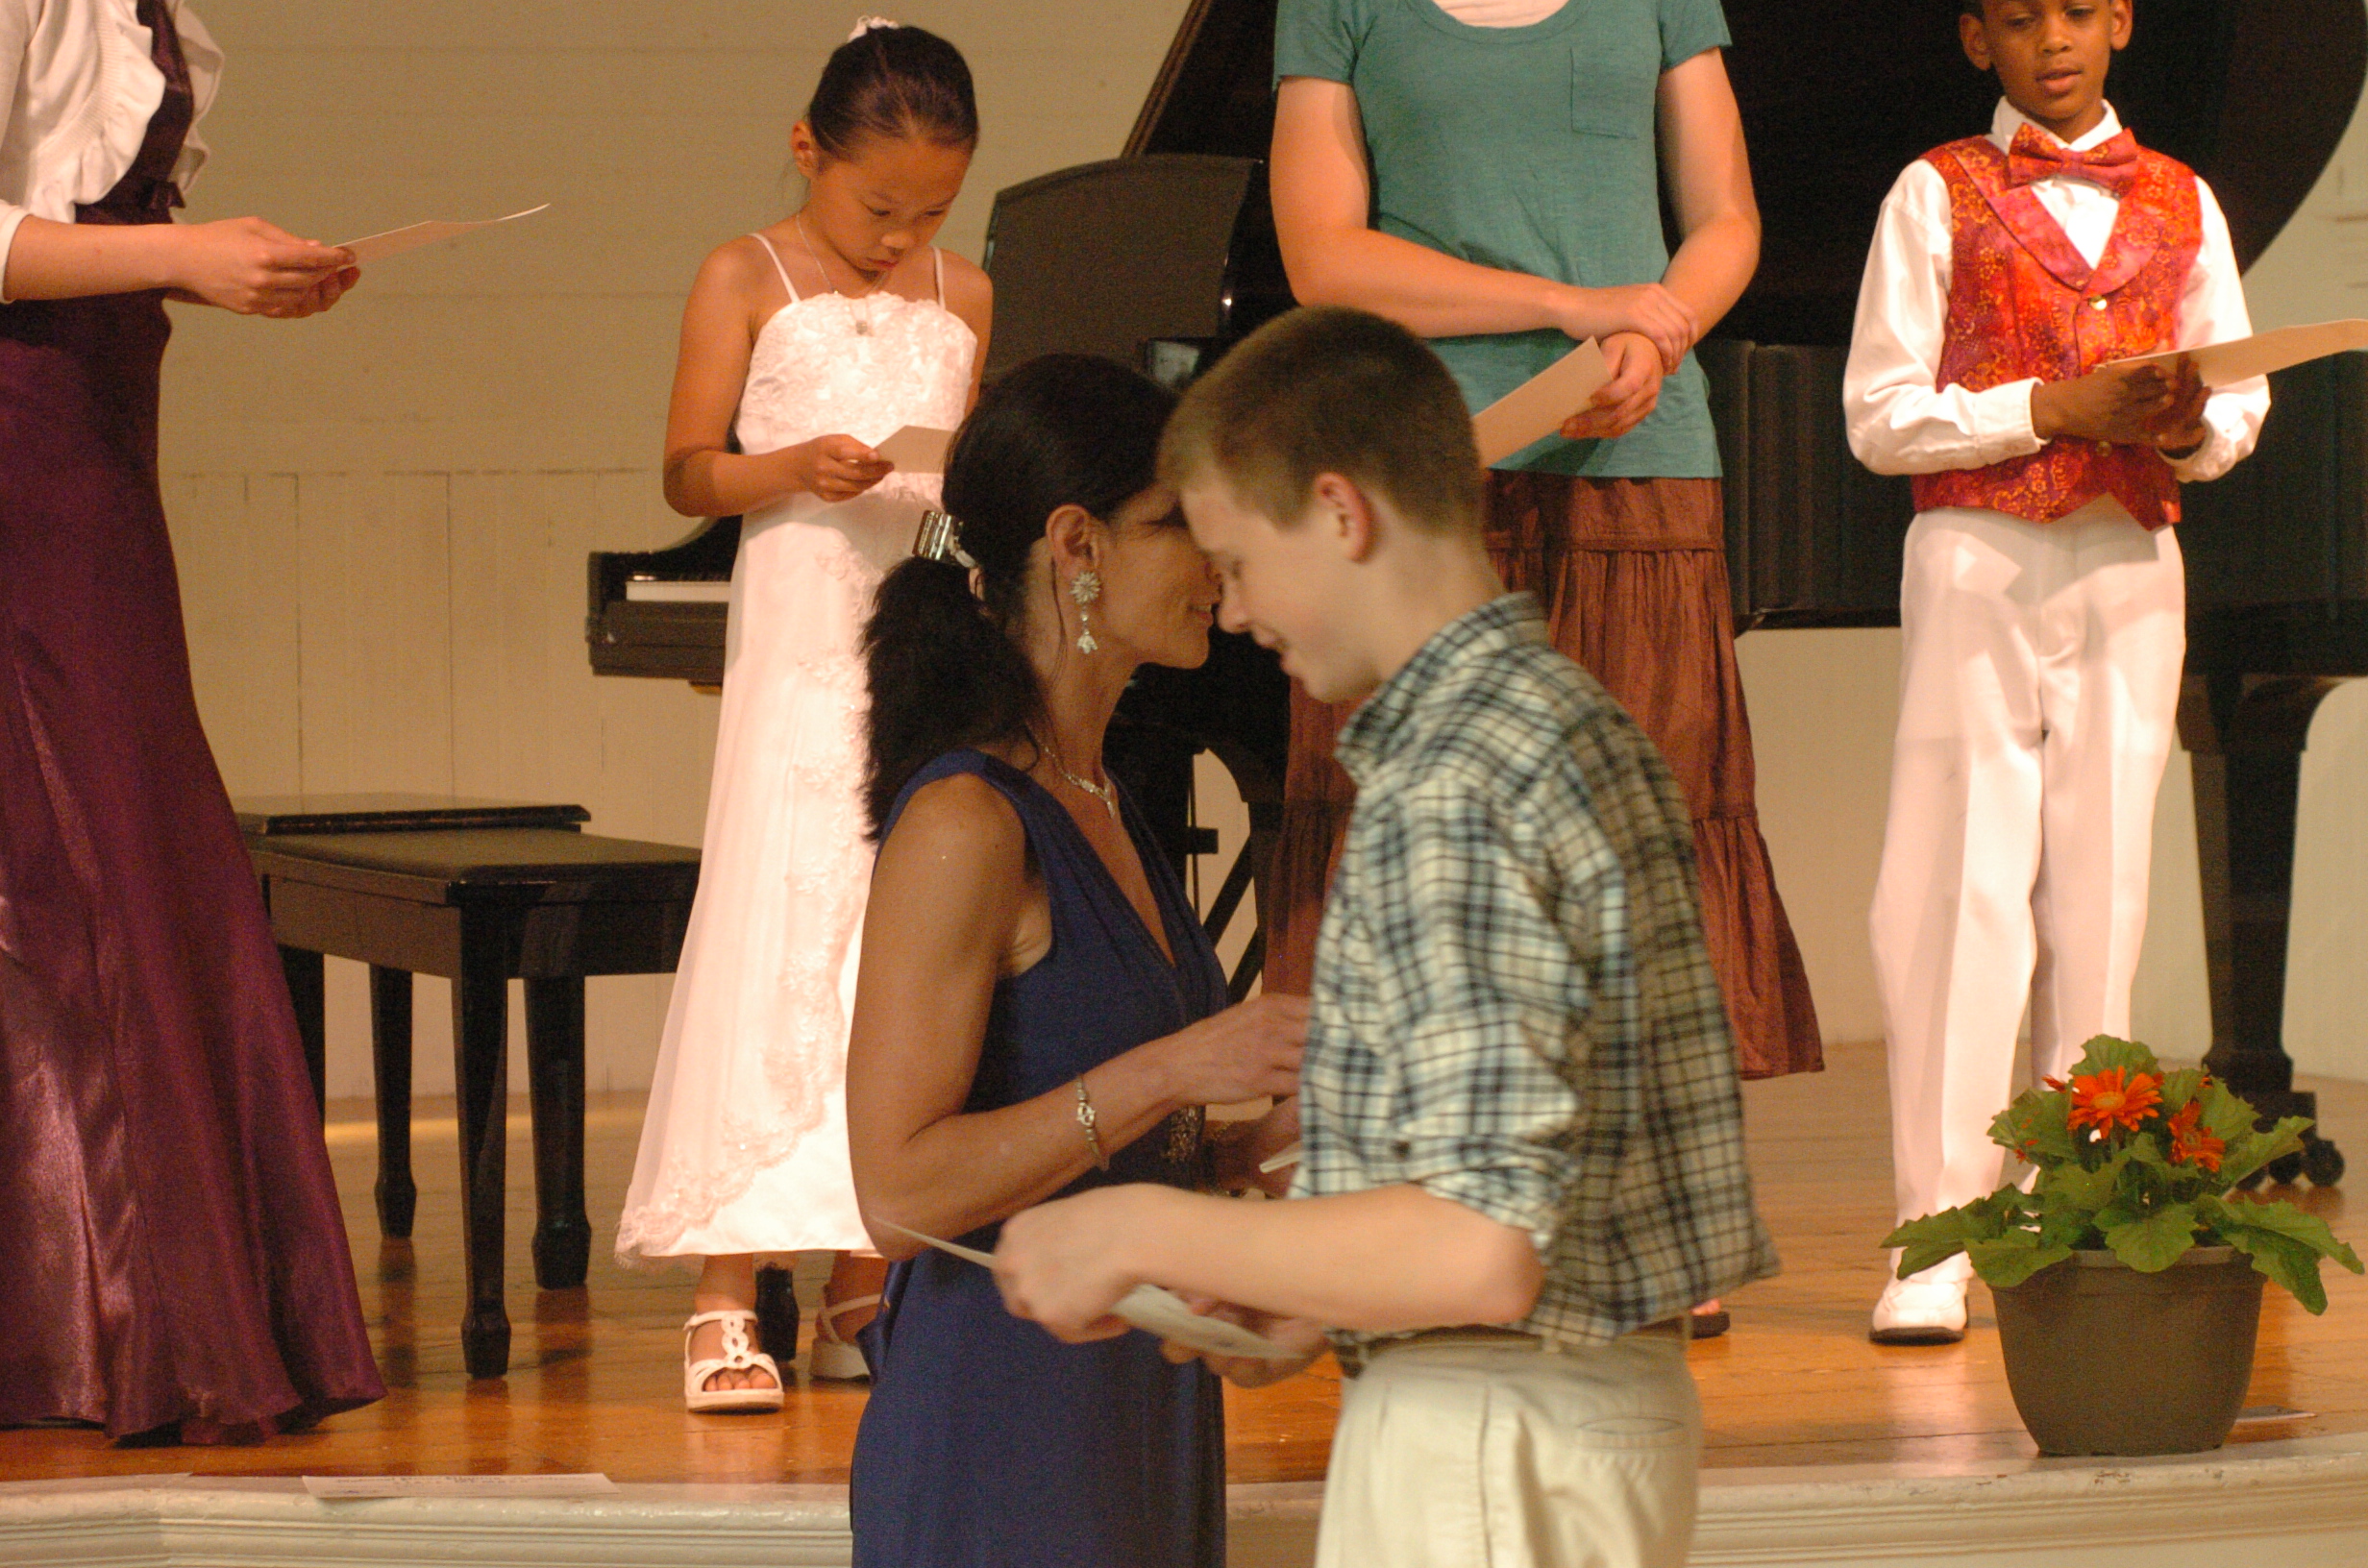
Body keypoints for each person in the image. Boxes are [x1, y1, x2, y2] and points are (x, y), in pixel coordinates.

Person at [994, 306, 1777, 1568]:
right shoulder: (1561, 718)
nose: (1233, 612)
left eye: (1239, 559)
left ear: (1340, 512)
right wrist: (1302, 1291)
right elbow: (1528, 1185)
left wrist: (1136, 1231)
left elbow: (1481, 1250)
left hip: (1490, 1433)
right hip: (1552, 1420)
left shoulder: (1454, 780)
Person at [1264, 0, 1822, 1123]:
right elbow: (1322, 257)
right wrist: (1568, 306)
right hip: (1416, 455)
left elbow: (1724, 218)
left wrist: (1653, 331)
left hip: (1634, 458)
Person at [1843, 0, 2268, 1344]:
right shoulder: (1936, 190)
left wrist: (2192, 427)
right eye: (2021, 18)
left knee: (2103, 887)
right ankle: (1937, 1235)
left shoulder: (2180, 196)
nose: (2055, 39)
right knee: (1959, 882)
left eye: (2078, 10)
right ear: (1978, 39)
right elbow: (1878, 414)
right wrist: (2042, 407)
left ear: (2121, 21)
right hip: (1979, 549)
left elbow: (2238, 396)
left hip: (2129, 555)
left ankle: (2076, 1208)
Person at [845, 354, 1305, 1568]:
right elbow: (896, 1196)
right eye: (1177, 524)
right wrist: (1174, 1071)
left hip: (1129, 1395)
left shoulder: (1099, 795)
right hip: (1006, 1418)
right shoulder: (966, 820)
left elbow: (1102, 1133)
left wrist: (1251, 1146)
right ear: (1075, 543)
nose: (1215, 563)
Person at [0, 0, 382, 1442]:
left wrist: (236, 276)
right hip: (20, 420)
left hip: (90, 407)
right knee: (98, 835)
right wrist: (183, 257)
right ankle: (135, 1319)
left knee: (104, 835)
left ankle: (126, 1312)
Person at [613, 16, 992, 1408]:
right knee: (780, 907)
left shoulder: (969, 291)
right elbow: (686, 471)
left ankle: (863, 1273)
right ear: (806, 150)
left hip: (918, 631)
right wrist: (789, 468)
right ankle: (728, 1284)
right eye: (878, 205)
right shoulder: (746, 273)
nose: (901, 238)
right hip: (799, 622)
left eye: (930, 212)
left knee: (903, 929)